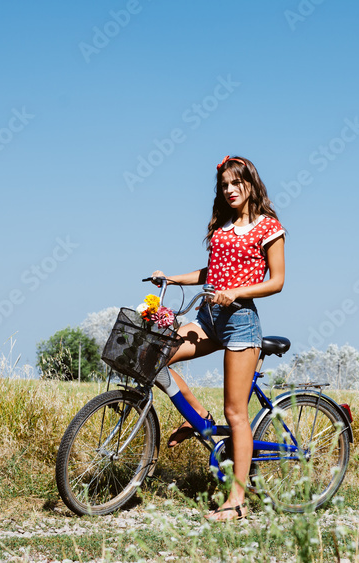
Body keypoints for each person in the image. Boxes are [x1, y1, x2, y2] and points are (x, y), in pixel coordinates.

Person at [151, 155, 285, 522]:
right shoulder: (222, 227)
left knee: (236, 413)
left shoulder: (267, 226)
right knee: (155, 354)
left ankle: (237, 502)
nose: (229, 190)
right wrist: (172, 278)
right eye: (223, 185)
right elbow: (213, 272)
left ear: (250, 184)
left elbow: (277, 281)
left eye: (235, 183)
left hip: (240, 323)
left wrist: (238, 292)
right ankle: (199, 417)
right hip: (208, 317)